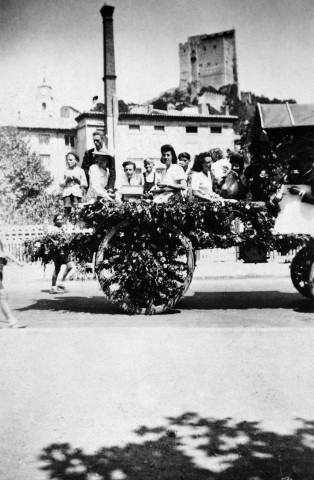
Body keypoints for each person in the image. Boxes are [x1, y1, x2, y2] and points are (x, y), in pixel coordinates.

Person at [0, 237, 25, 328]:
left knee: (2, 295)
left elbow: (4, 250)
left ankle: (12, 321)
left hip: (0, 265)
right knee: (2, 294)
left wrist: (17, 261)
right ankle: (12, 321)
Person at [49, 214, 76, 294]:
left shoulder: (63, 228)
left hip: (64, 251)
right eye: (58, 220)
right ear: (54, 221)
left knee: (68, 267)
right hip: (58, 252)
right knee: (59, 268)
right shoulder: (54, 229)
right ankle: (54, 287)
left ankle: (59, 285)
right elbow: (50, 239)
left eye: (61, 219)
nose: (60, 221)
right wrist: (56, 243)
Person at [60, 152, 87, 221]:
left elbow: (85, 184)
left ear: (76, 161)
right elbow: (60, 183)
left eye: (70, 160)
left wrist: (78, 180)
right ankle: (67, 223)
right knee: (67, 208)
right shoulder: (65, 170)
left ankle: (76, 223)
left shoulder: (80, 171)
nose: (68, 162)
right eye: (67, 160)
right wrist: (66, 180)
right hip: (67, 193)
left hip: (76, 193)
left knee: (77, 209)